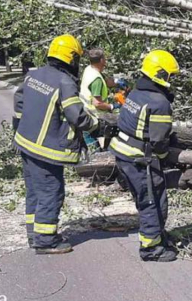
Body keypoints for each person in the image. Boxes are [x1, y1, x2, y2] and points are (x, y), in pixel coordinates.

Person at [13, 34, 98, 254]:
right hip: (46, 150)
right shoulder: (65, 81)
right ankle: (45, 240)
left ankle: (34, 233)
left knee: (34, 191)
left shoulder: (34, 75)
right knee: (52, 191)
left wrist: (20, 127)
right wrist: (96, 124)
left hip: (25, 143)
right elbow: (76, 116)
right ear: (71, 59)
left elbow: (19, 103)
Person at [110, 50, 180, 262]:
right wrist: (165, 155)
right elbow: (159, 141)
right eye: (170, 76)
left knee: (146, 199)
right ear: (160, 74)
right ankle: (151, 249)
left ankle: (156, 235)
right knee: (152, 200)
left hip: (122, 153)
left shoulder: (135, 93)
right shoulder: (159, 103)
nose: (172, 80)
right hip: (139, 158)